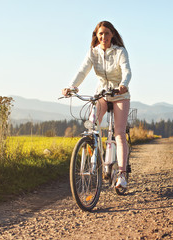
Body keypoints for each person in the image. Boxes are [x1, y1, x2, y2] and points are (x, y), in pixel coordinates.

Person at [62, 21, 131, 189]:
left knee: (119, 133)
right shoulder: (93, 53)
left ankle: (121, 174)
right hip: (101, 94)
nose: (103, 37)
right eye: (100, 34)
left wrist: (123, 84)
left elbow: (126, 70)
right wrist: (72, 87)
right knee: (92, 126)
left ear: (112, 34)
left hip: (119, 94)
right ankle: (95, 158)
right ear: (96, 36)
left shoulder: (120, 51)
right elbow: (82, 71)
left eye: (106, 33)